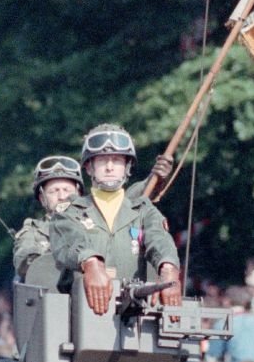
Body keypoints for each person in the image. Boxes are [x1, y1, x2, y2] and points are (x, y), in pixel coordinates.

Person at [49, 123, 182, 316]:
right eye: (103, 160)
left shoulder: (143, 210)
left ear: (127, 167)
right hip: (81, 316)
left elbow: (159, 239)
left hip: (134, 315)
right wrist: (91, 263)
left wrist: (168, 268)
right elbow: (69, 241)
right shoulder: (69, 212)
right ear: (89, 167)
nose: (110, 167)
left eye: (117, 160)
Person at [13, 155, 85, 282]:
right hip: (49, 296)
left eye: (67, 190)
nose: (62, 196)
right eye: (54, 191)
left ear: (78, 193)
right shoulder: (33, 231)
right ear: (42, 198)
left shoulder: (94, 224)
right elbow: (23, 264)